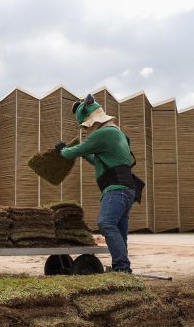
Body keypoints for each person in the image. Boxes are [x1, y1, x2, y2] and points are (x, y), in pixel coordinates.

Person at [56, 94, 139, 273]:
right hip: (127, 189)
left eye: (85, 126)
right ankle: (122, 267)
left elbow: (74, 151)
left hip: (117, 189)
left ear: (91, 121)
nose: (86, 131)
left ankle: (122, 267)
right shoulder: (116, 132)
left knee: (106, 222)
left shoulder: (103, 133)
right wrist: (83, 153)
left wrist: (62, 150)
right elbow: (99, 161)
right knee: (119, 228)